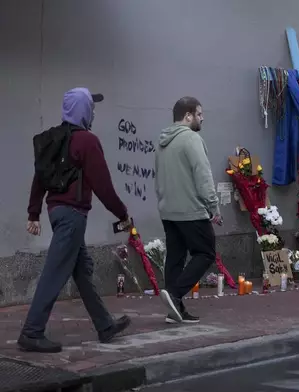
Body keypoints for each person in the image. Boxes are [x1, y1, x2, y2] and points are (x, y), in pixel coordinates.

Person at [22, 87, 132, 353]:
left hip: (58, 212)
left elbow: (40, 177)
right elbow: (102, 184)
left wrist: (34, 212)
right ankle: (31, 332)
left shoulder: (55, 138)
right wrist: (122, 213)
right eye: (90, 106)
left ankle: (104, 325)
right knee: (54, 272)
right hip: (72, 215)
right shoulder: (87, 141)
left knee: (82, 271)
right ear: (82, 110)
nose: (93, 110)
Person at [155, 96, 222, 324]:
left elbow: (158, 178)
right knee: (205, 253)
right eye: (199, 114)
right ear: (188, 116)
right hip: (191, 210)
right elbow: (203, 176)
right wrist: (213, 207)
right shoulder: (192, 139)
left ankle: (175, 311)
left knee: (175, 257)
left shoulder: (162, 141)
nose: (202, 119)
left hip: (168, 211)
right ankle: (175, 294)